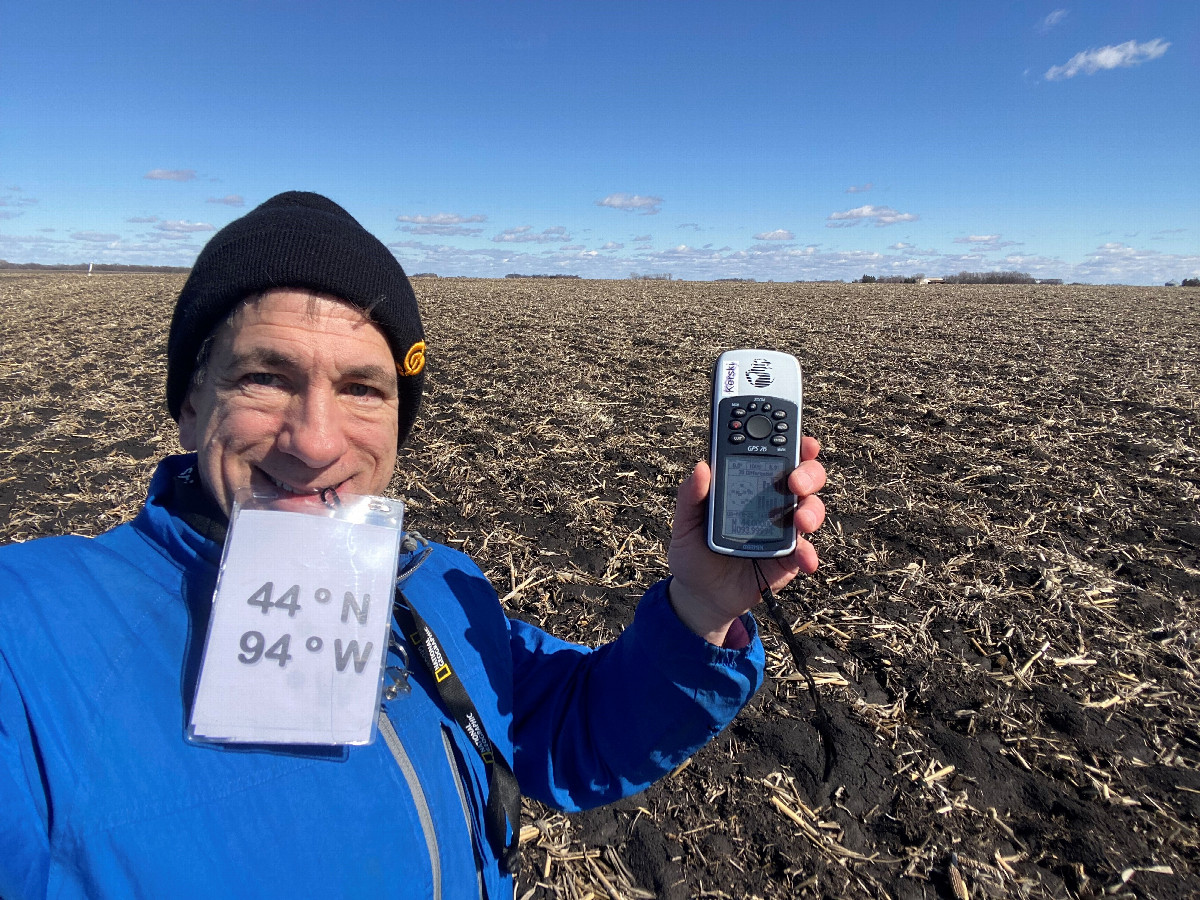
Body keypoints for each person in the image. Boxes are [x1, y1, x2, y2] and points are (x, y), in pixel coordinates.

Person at [0, 192, 826, 899]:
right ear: (188, 404)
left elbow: (561, 732)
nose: (316, 441)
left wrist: (703, 609)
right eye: (264, 378)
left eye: (362, 388)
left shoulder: (429, 587)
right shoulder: (34, 638)